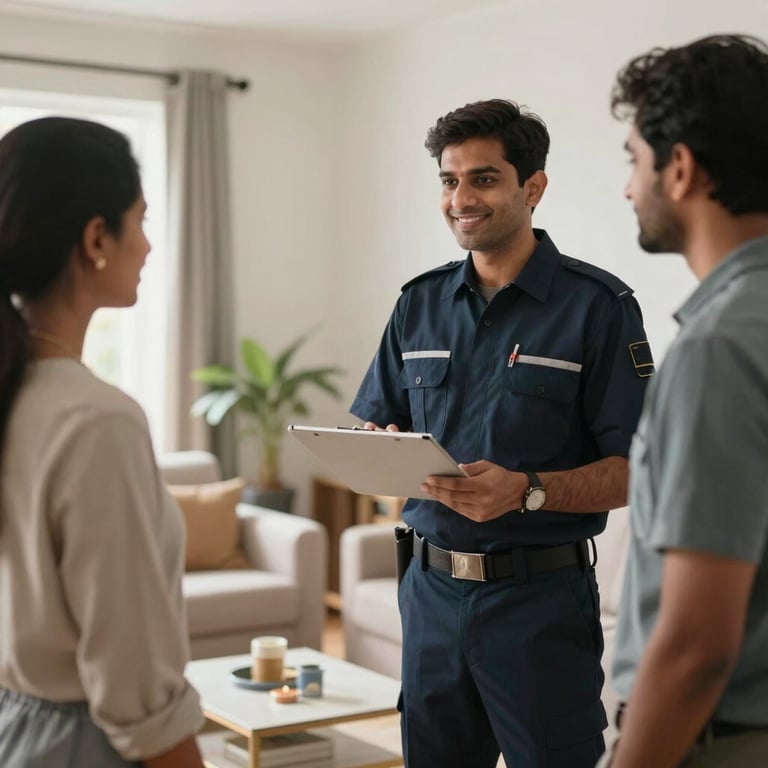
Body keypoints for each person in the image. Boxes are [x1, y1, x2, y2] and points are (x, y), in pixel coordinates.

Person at [350, 99, 653, 768]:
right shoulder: (417, 304)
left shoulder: (600, 309)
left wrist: (527, 492)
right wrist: (376, 446)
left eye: (483, 178)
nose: (461, 197)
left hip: (539, 607)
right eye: (448, 180)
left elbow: (639, 471)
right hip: (428, 597)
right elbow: (379, 420)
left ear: (532, 187)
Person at [0, 117, 206, 768]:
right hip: (81, 745)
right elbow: (134, 685)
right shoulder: (97, 422)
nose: (147, 246)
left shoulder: (19, 396)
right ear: (96, 238)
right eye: (140, 221)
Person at [598, 34, 768, 768]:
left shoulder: (716, 349)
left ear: (681, 168)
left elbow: (696, 646)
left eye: (633, 160)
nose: (627, 188)